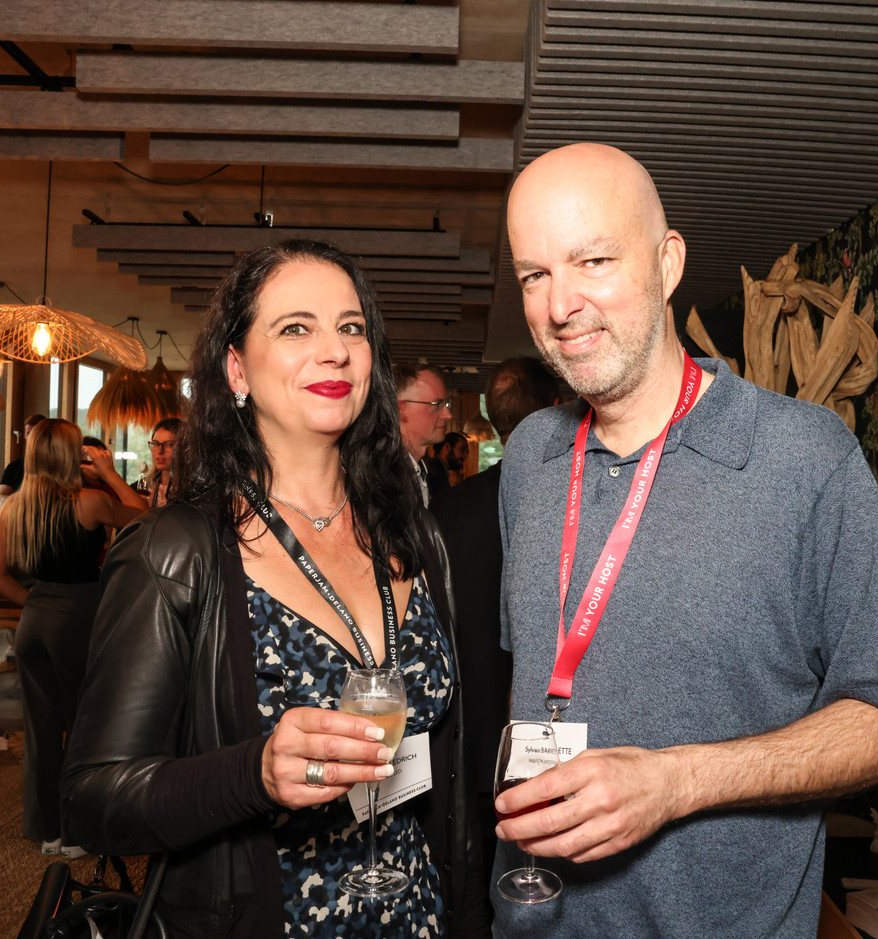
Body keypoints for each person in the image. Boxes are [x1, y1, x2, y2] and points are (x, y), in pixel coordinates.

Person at [491, 143, 878, 937]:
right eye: (535, 274)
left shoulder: (806, 457)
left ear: (668, 263)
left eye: (592, 260)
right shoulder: (529, 454)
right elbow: (534, 677)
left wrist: (675, 781)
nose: (560, 304)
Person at [62, 240, 474, 938]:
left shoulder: (415, 536)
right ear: (235, 367)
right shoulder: (176, 550)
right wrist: (253, 772)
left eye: (351, 327)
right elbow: (92, 797)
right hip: (266, 916)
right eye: (295, 327)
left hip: (414, 911)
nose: (335, 350)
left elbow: (441, 766)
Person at [430, 356, 558, 928]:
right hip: (556, 738)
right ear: (557, 409)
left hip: (473, 735)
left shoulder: (449, 507)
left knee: (475, 885)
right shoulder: (572, 503)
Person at [0, 418, 145, 859]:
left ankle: (46, 828)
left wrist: (37, 603)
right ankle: (76, 831)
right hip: (81, 616)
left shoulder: (12, 507)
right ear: (74, 455)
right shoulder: (91, 502)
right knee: (84, 727)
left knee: (41, 729)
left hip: (35, 623)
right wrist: (110, 474)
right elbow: (150, 518)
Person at [394, 363, 450, 503]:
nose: (447, 415)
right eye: (437, 404)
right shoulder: (381, 477)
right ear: (401, 410)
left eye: (446, 405)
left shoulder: (420, 471)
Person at [0, 412, 47, 499]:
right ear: (25, 436)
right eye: (28, 433)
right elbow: (0, 496)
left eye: (36, 434)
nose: (32, 438)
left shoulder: (57, 466)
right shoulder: (15, 466)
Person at [136, 416, 181, 508]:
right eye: (155, 444)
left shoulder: (192, 491)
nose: (160, 451)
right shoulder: (145, 486)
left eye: (169, 444)